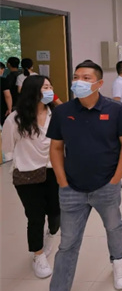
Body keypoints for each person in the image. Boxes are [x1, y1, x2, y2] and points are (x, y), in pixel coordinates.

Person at [46, 60, 122, 291]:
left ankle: (118, 262)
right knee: (67, 243)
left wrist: (115, 179)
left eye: (86, 78)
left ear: (99, 83)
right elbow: (56, 147)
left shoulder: (115, 110)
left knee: (113, 227)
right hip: (71, 188)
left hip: (106, 185)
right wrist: (62, 182)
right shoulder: (63, 112)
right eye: (76, 77)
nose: (79, 82)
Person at [2, 75, 60, 279]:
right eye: (45, 87)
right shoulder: (15, 119)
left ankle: (50, 235)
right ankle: (38, 255)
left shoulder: (56, 115)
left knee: (56, 213)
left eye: (50, 86)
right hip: (27, 175)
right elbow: (7, 148)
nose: (50, 90)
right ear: (33, 91)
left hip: (53, 171)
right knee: (35, 217)